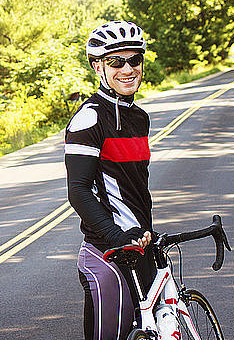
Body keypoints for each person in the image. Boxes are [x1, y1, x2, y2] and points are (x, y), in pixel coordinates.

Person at [64, 20, 156, 340]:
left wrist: (147, 234)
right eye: (116, 61)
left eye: (135, 59)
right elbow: (79, 191)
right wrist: (116, 237)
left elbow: (135, 188)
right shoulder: (88, 118)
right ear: (97, 66)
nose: (128, 68)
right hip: (108, 254)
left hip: (139, 247)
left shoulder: (139, 118)